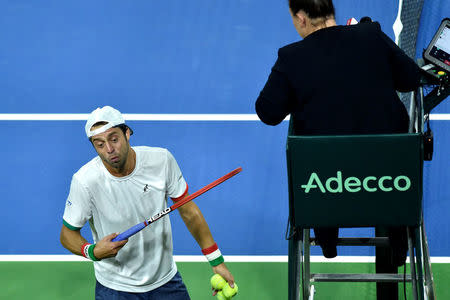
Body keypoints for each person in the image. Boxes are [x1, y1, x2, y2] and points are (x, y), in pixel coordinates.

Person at [255, 0, 421, 299]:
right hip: (389, 182)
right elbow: (410, 78)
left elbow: (268, 112)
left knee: (319, 163)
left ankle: (327, 239)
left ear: (302, 18)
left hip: (329, 191)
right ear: (332, 12)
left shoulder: (291, 57)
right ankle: (398, 246)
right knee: (391, 167)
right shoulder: (370, 36)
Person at [60, 106, 235, 299]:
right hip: (115, 289)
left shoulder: (161, 160)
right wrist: (92, 251)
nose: (109, 149)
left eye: (114, 139)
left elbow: (188, 210)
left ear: (127, 133)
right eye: (100, 144)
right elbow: (67, 233)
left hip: (166, 282)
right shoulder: (85, 181)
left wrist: (216, 261)